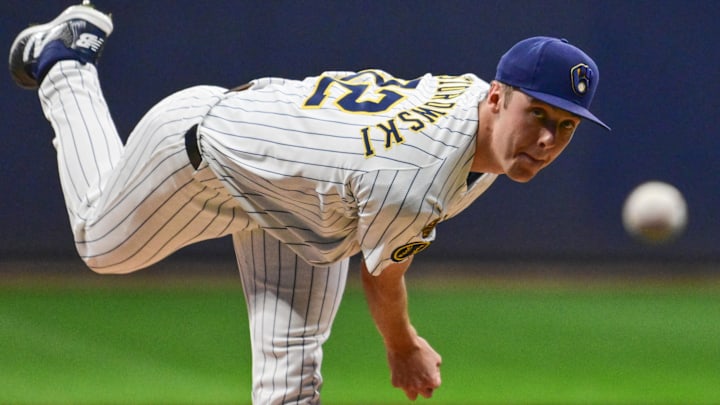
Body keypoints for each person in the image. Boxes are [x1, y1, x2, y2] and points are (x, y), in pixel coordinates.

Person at [9, 3, 609, 403]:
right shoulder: (417, 175)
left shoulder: (479, 103)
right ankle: (66, 64)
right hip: (203, 150)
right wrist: (402, 347)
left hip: (301, 201)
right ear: (500, 99)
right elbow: (383, 278)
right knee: (98, 244)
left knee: (291, 390)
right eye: (538, 114)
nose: (548, 140)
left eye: (566, 126)